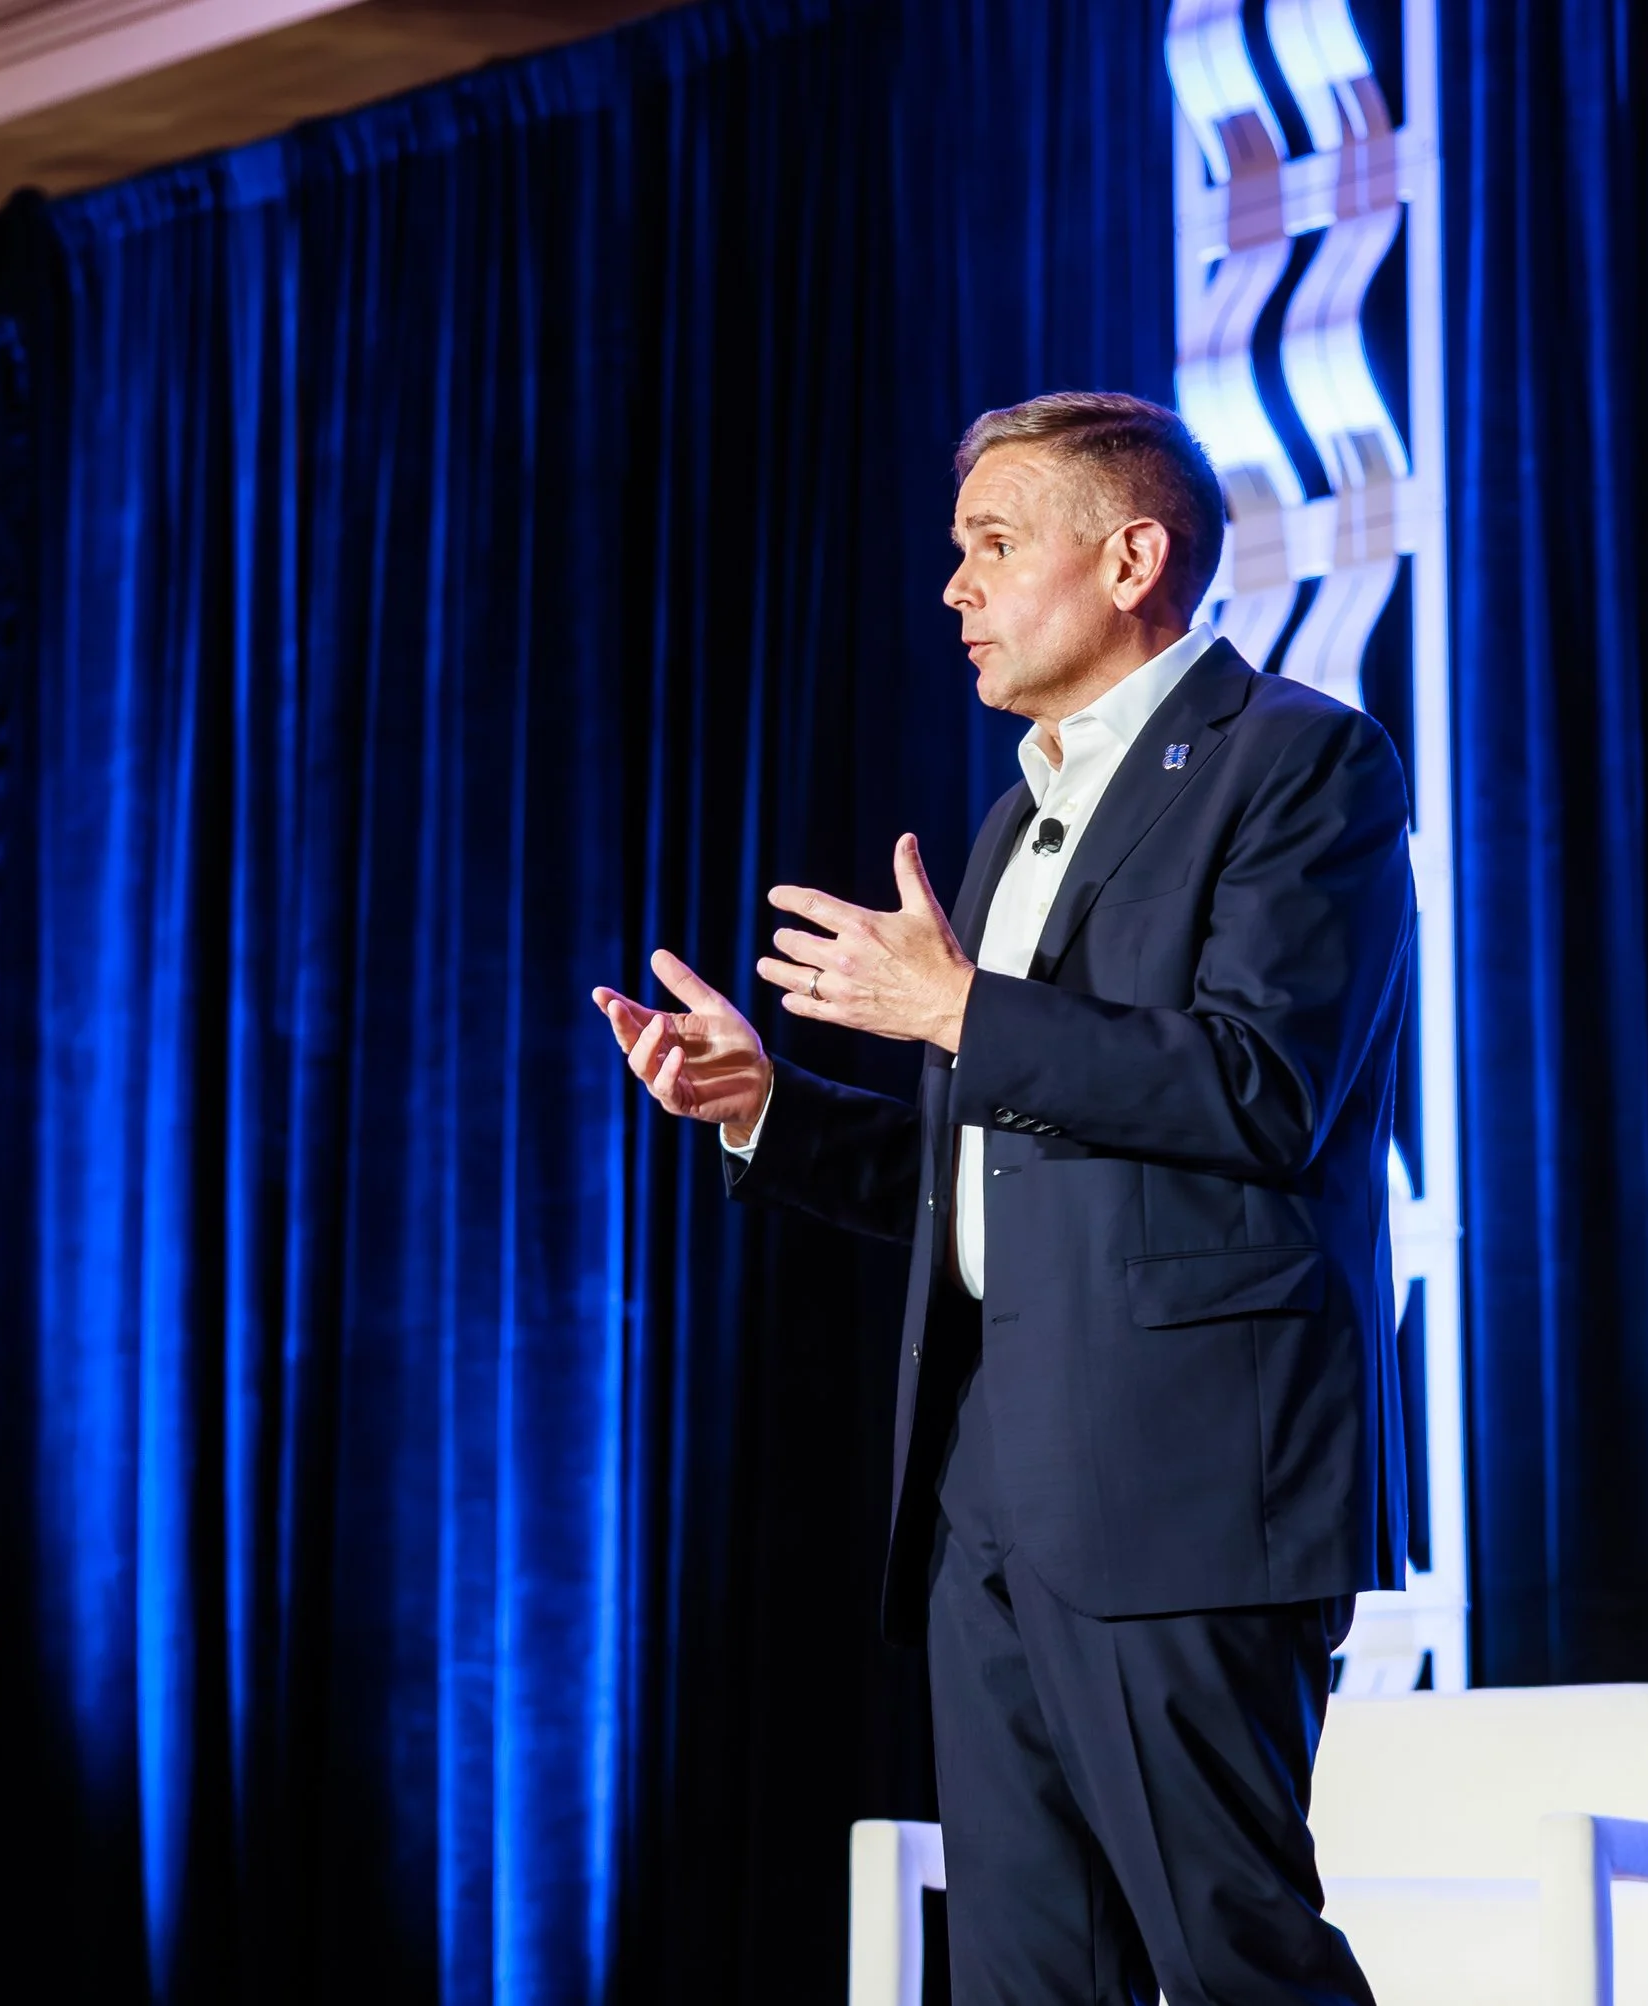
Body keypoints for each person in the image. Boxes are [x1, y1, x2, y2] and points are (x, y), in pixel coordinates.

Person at [592, 391, 1412, 2005]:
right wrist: (769, 1110)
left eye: (992, 544)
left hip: (1184, 1480)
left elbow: (1261, 1087)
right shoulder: (1011, 819)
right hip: (991, 1493)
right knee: (1028, 1981)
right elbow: (999, 1167)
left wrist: (963, 1011)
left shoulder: (1300, 761)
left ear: (1131, 557)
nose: (955, 589)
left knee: (1238, 1956)